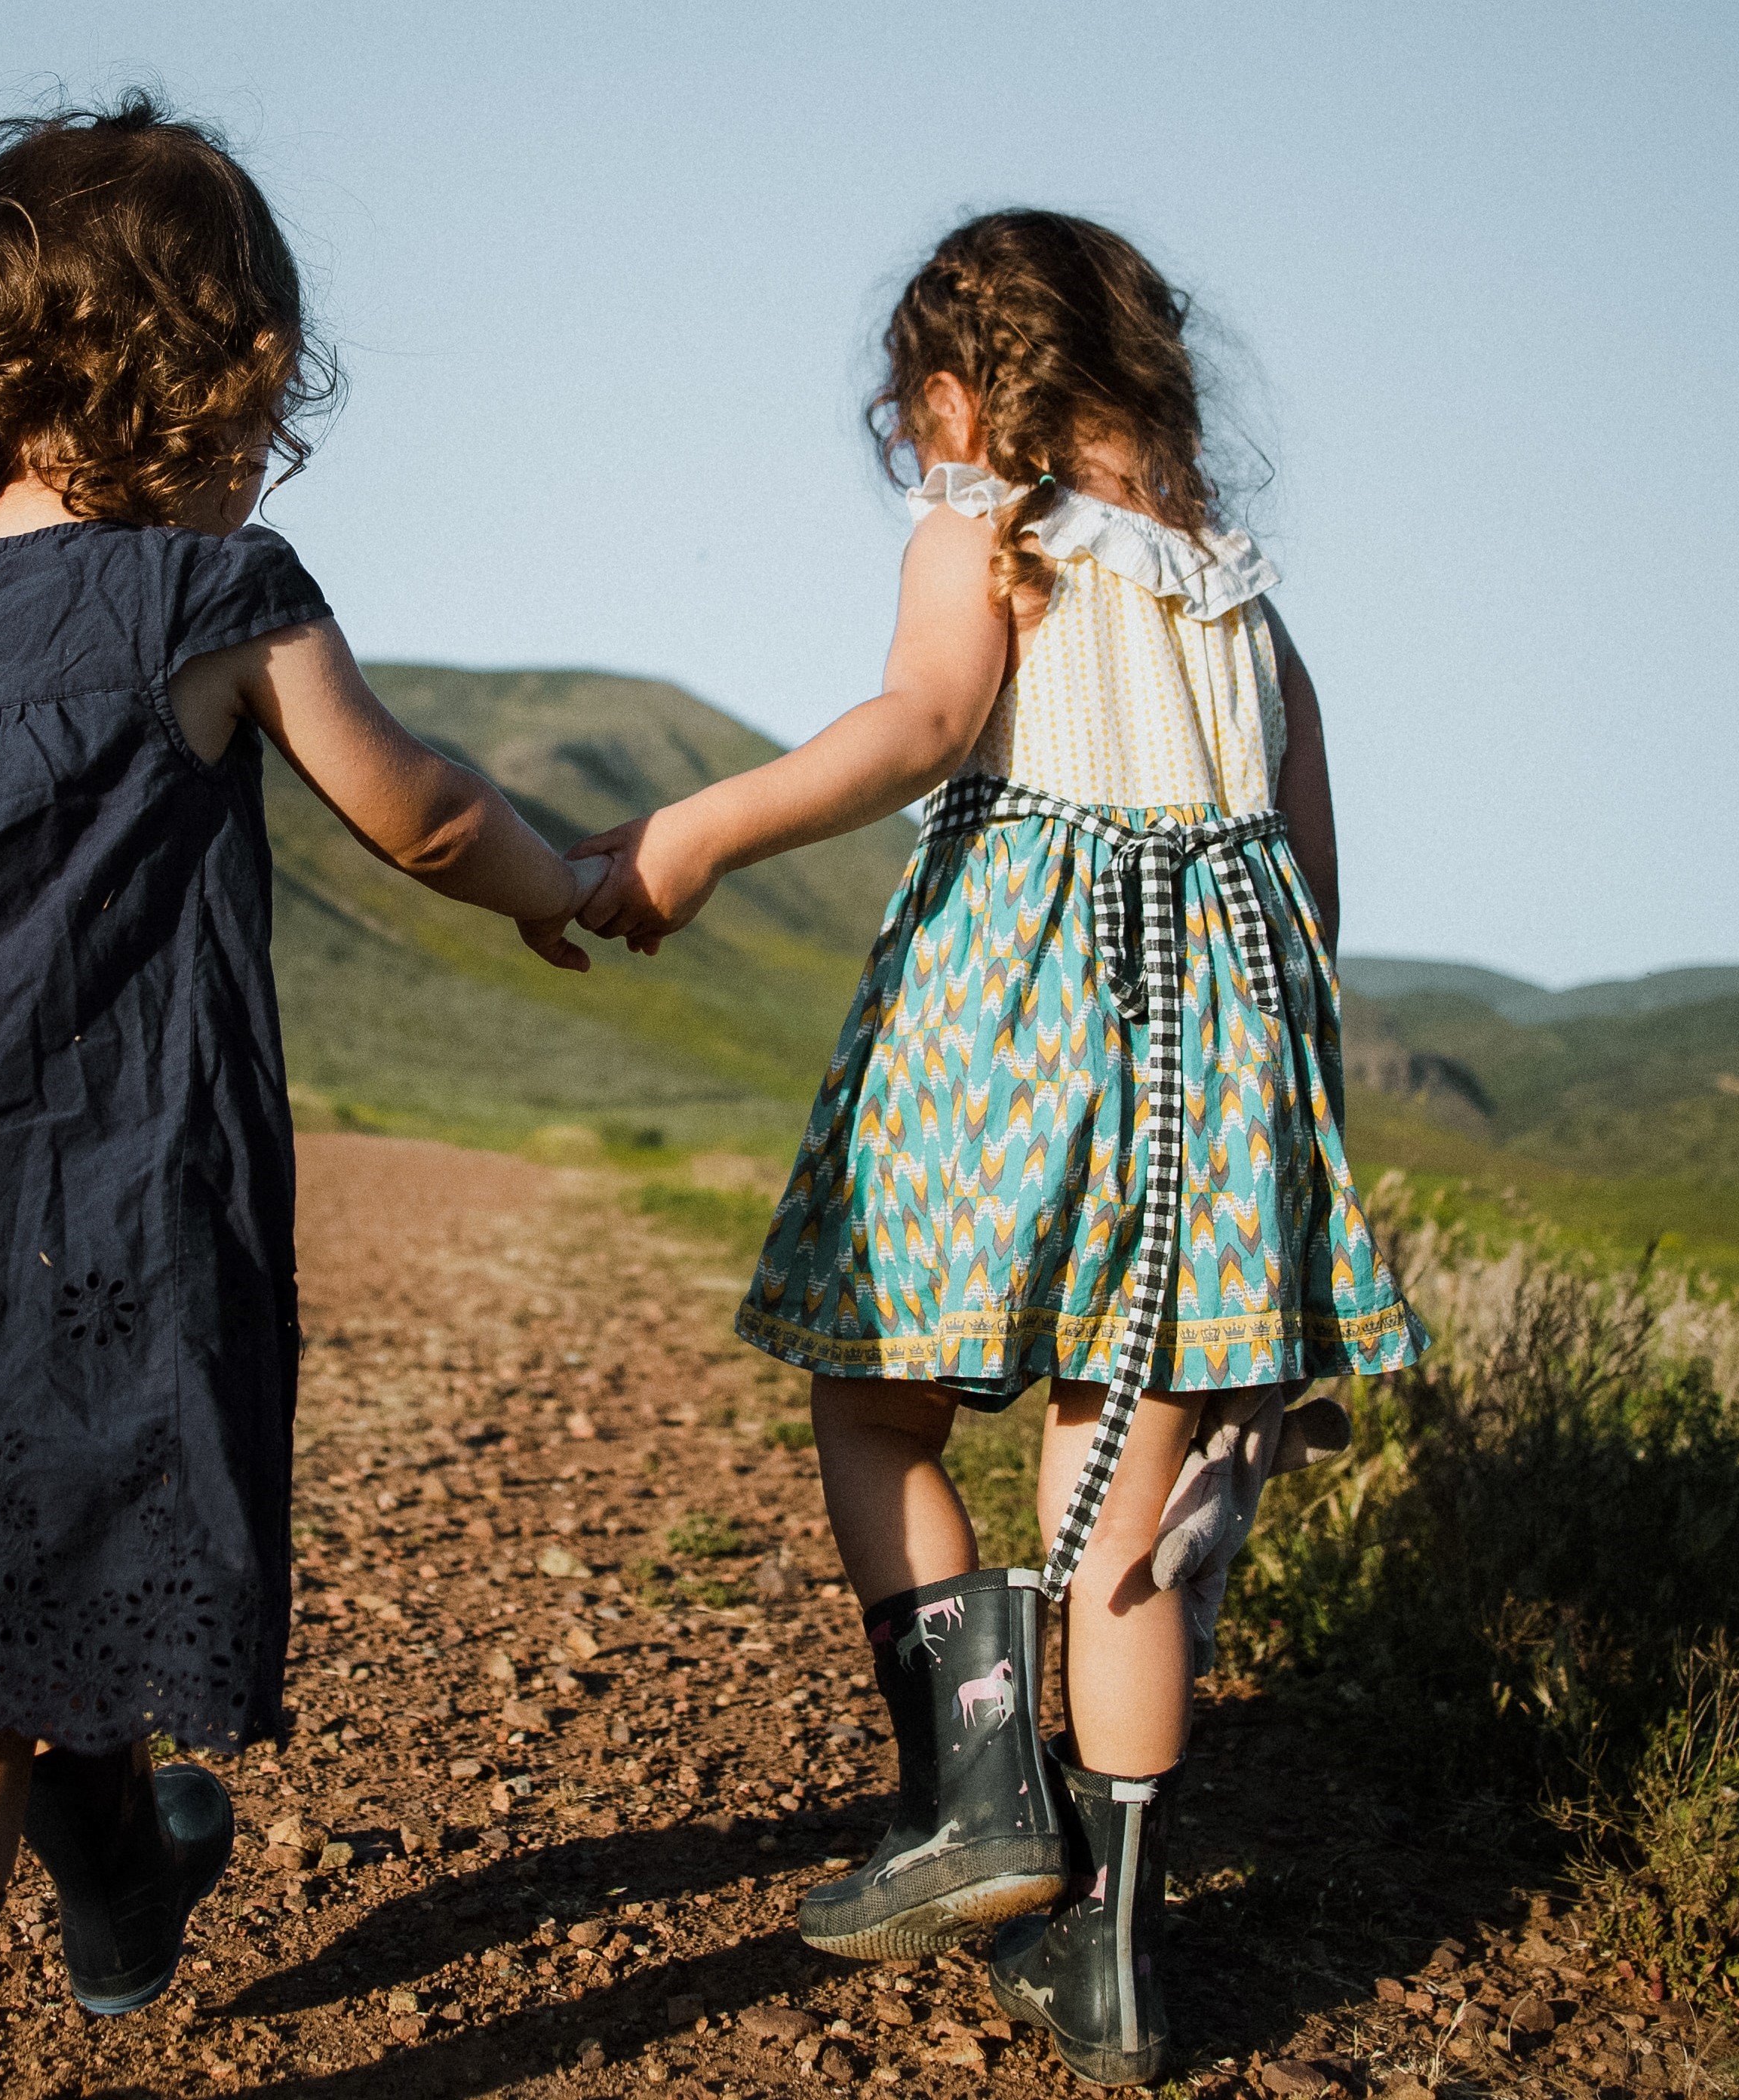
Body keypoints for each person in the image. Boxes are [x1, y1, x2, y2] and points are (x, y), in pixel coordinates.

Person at [0, 97, 600, 2098]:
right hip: (70, 1220)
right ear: (217, 364)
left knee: (2, 1583)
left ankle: (134, 1878)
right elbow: (413, 813)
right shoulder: (214, 597)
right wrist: (565, 883)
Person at [573, 210, 1424, 2086]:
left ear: (964, 391)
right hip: (1223, 1064)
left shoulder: (988, 527)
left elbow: (923, 722)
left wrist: (694, 835)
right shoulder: (1238, 595)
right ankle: (1111, 1960)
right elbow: (1310, 886)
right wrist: (1274, 1133)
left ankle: (975, 1794)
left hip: (1012, 1026)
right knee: (1120, 1516)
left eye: (916, 408)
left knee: (876, 1398)